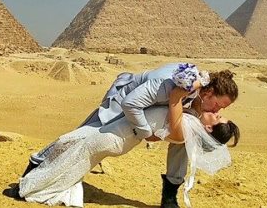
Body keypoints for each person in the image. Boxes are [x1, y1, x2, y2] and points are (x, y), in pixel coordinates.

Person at [24, 64, 239, 208]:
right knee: (86, 133)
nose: (216, 113)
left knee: (187, 136)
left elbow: (179, 131)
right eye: (218, 106)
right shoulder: (174, 85)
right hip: (125, 100)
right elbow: (133, 103)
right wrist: (145, 131)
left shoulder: (196, 98)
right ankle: (39, 162)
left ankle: (170, 193)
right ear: (208, 93)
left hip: (148, 110)